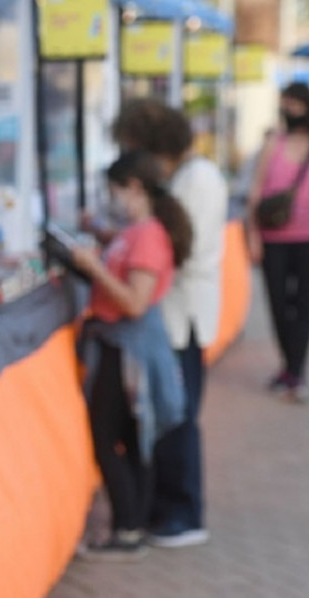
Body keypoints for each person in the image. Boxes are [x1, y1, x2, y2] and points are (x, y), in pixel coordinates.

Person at [111, 100, 228, 548]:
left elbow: (176, 249)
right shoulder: (187, 177)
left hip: (183, 315)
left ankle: (182, 511)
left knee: (176, 415)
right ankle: (170, 506)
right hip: (173, 313)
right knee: (168, 412)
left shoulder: (197, 179)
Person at [70, 151, 193, 560]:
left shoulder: (150, 235)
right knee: (125, 438)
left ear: (135, 188)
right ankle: (131, 524)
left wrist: (93, 267)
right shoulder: (138, 230)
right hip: (117, 346)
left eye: (116, 190)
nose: (113, 198)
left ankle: (127, 528)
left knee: (110, 441)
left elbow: (135, 302)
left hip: (128, 350)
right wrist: (100, 237)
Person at [246, 82, 309, 402]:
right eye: (287, 104)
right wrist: (253, 236)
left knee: (303, 303)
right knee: (277, 301)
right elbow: (255, 191)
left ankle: (296, 370)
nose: (291, 111)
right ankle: (288, 363)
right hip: (274, 236)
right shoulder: (273, 143)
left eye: (296, 104)